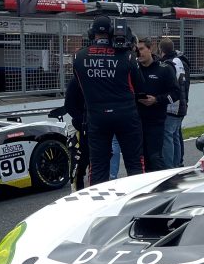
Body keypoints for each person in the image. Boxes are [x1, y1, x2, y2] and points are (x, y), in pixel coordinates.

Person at [68, 15, 145, 185]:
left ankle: (98, 206)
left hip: (96, 117)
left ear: (91, 33)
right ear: (112, 32)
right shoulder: (128, 55)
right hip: (126, 115)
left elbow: (79, 85)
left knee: (98, 166)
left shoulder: (78, 57)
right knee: (135, 163)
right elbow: (140, 86)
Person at [135, 37, 179, 171]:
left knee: (154, 158)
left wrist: (156, 100)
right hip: (136, 122)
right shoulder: (133, 69)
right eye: (136, 50)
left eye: (141, 49)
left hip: (156, 122)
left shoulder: (164, 68)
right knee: (138, 159)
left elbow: (176, 93)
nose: (139, 53)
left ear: (150, 49)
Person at [159, 37, 189, 165]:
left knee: (168, 136)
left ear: (161, 50)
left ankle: (169, 166)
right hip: (182, 102)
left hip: (172, 105)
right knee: (175, 135)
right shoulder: (182, 61)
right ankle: (177, 164)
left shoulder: (168, 64)